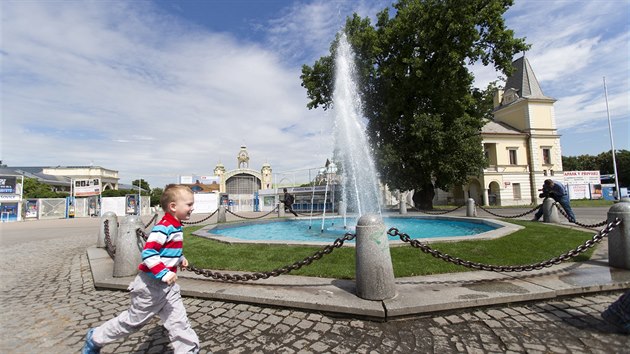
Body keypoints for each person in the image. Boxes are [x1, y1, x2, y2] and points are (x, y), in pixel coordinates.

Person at [82, 184, 200, 354]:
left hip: (169, 288)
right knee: (133, 321)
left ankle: (189, 350)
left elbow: (166, 250)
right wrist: (164, 272)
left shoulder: (175, 225)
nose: (192, 208)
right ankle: (95, 337)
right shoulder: (163, 227)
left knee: (179, 322)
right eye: (189, 204)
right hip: (150, 286)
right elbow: (149, 252)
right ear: (173, 207)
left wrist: (180, 258)